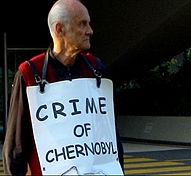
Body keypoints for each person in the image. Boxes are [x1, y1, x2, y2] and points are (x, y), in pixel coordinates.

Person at [2, 0, 124, 175]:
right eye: (83, 24)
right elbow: (15, 148)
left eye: (89, 23)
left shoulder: (97, 69)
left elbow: (111, 137)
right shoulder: (29, 74)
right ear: (60, 29)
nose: (90, 30)